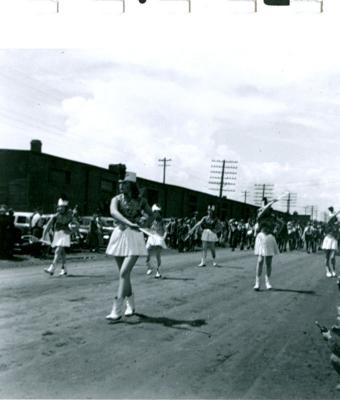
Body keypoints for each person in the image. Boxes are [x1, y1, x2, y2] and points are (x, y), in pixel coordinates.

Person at [105, 172, 153, 322]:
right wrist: (128, 222)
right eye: (120, 183)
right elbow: (113, 212)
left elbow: (151, 216)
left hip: (134, 238)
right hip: (119, 236)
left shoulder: (141, 201)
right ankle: (131, 305)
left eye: (124, 183)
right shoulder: (116, 199)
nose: (121, 186)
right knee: (124, 275)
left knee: (124, 273)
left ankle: (117, 309)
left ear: (131, 185)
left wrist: (144, 221)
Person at [43, 198, 75, 276]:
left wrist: (71, 231)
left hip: (65, 234)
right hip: (57, 234)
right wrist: (43, 236)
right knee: (62, 252)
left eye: (62, 207)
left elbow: (77, 225)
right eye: (59, 207)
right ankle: (64, 269)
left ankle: (52, 268)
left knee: (57, 250)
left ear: (65, 208)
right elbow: (48, 225)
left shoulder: (69, 216)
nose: (60, 208)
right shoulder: (55, 216)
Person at [253, 221, 279, 291]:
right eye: (264, 227)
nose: (265, 229)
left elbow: (274, 245)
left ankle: (267, 282)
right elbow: (257, 246)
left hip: (269, 243)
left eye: (267, 227)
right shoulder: (259, 235)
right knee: (260, 261)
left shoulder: (271, 236)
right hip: (261, 245)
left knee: (268, 263)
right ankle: (257, 283)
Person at [145, 204, 167, 279]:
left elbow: (166, 231)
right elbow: (147, 228)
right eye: (154, 212)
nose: (155, 214)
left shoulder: (162, 221)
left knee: (158, 256)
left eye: (157, 212)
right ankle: (149, 267)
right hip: (151, 237)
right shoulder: (151, 220)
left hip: (159, 238)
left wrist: (163, 237)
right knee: (146, 251)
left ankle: (158, 271)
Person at [322, 207, 340, 278]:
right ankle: (327, 271)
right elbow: (333, 216)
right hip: (327, 240)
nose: (335, 220)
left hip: (334, 240)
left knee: (332, 257)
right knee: (327, 257)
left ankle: (333, 270)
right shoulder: (328, 224)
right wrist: (337, 212)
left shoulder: (337, 225)